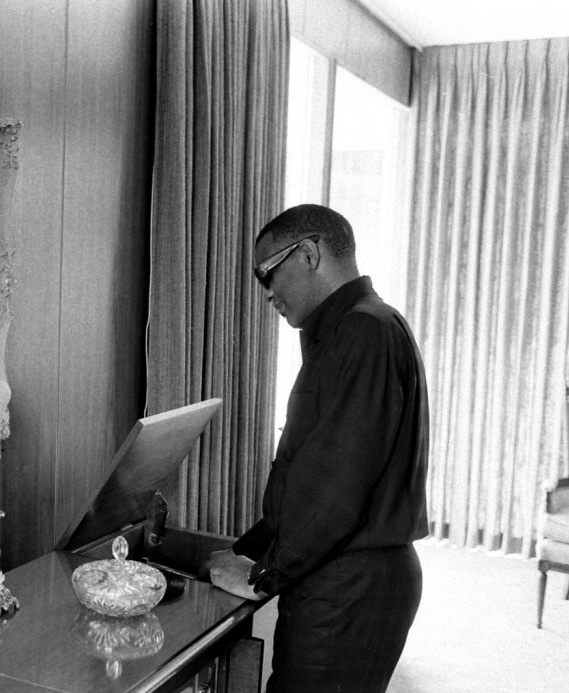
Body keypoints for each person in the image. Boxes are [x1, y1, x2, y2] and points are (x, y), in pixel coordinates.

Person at [208, 204, 429, 692]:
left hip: (348, 582)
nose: (267, 293)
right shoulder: (360, 325)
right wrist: (249, 549)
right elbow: (310, 468)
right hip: (350, 575)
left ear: (308, 253)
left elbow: (337, 485)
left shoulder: (361, 330)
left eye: (267, 273)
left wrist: (264, 575)